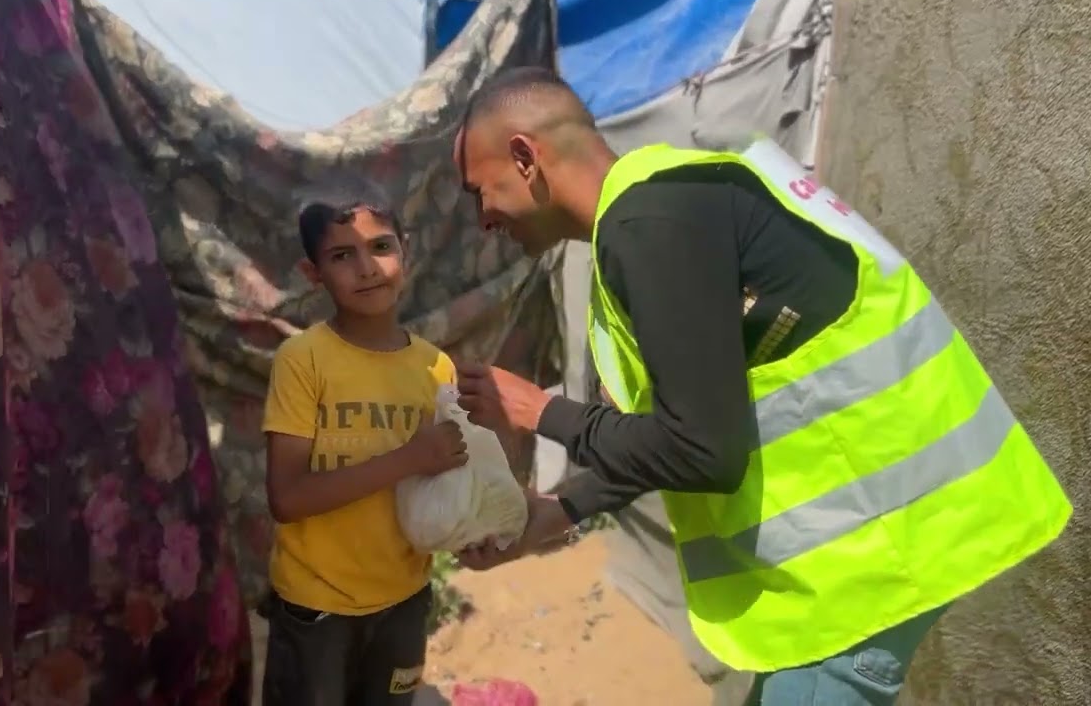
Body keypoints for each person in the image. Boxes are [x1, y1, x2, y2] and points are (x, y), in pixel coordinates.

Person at [449, 66, 1072, 705]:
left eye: (478, 191)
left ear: (526, 158)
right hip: (870, 556)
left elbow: (701, 450)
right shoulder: (666, 202)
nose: (483, 218)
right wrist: (561, 509)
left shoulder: (649, 224)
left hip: (866, 570)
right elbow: (688, 421)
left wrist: (542, 411)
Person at [260, 177, 468, 705]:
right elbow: (288, 498)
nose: (367, 267)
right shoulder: (303, 360)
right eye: (342, 255)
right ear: (314, 274)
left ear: (405, 250)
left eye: (381, 247)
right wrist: (410, 457)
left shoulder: (435, 365)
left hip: (404, 598)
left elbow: (437, 481)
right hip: (317, 609)